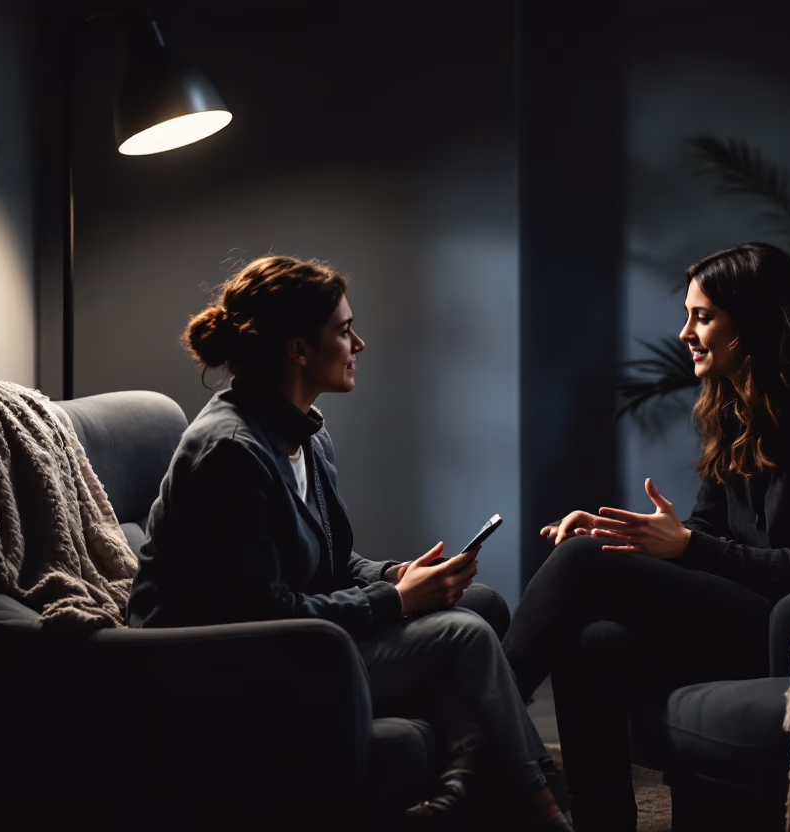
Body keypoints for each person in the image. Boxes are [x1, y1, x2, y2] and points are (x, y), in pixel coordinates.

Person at [126, 255, 571, 831]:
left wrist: (391, 576)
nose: (358, 344)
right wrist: (399, 601)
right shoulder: (230, 453)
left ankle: (464, 784)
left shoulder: (306, 432)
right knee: (461, 635)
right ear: (298, 349)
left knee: (480, 603)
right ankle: (538, 801)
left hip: (293, 636)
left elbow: (327, 558)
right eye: (343, 330)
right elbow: (261, 612)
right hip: (221, 662)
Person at [502, 242, 790, 832]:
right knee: (594, 640)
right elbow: (705, 531)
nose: (685, 333)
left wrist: (681, 547)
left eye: (701, 317)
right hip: (756, 606)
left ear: (750, 323)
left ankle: (489, 728)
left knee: (581, 558)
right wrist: (632, 536)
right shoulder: (732, 406)